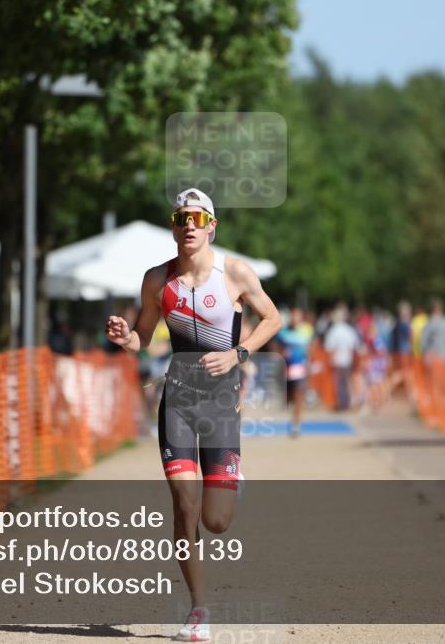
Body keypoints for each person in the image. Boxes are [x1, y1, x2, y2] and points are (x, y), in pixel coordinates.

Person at [104, 188, 281, 642]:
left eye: (198, 218)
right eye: (181, 217)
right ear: (173, 225)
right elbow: (143, 337)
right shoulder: (156, 280)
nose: (189, 225)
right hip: (178, 400)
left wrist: (238, 353)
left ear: (211, 226)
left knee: (215, 521)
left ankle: (230, 479)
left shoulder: (235, 273)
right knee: (185, 506)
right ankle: (199, 610)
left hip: (221, 402)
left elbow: (272, 319)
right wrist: (126, 338)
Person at [275, 307, 312, 438]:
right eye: (293, 316)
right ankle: (292, 416)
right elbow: (276, 347)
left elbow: (311, 347)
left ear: (301, 318)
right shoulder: (283, 332)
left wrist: (310, 363)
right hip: (286, 369)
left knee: (298, 397)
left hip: (300, 368)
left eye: (298, 316)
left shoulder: (307, 331)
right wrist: (281, 354)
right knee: (288, 398)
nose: (295, 318)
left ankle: (296, 425)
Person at [323, 303, 362, 411]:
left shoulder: (334, 331)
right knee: (345, 382)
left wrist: (330, 360)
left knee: (339, 383)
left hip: (337, 360)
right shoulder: (349, 330)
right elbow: (355, 346)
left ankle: (341, 403)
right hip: (347, 360)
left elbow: (329, 347)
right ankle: (346, 402)